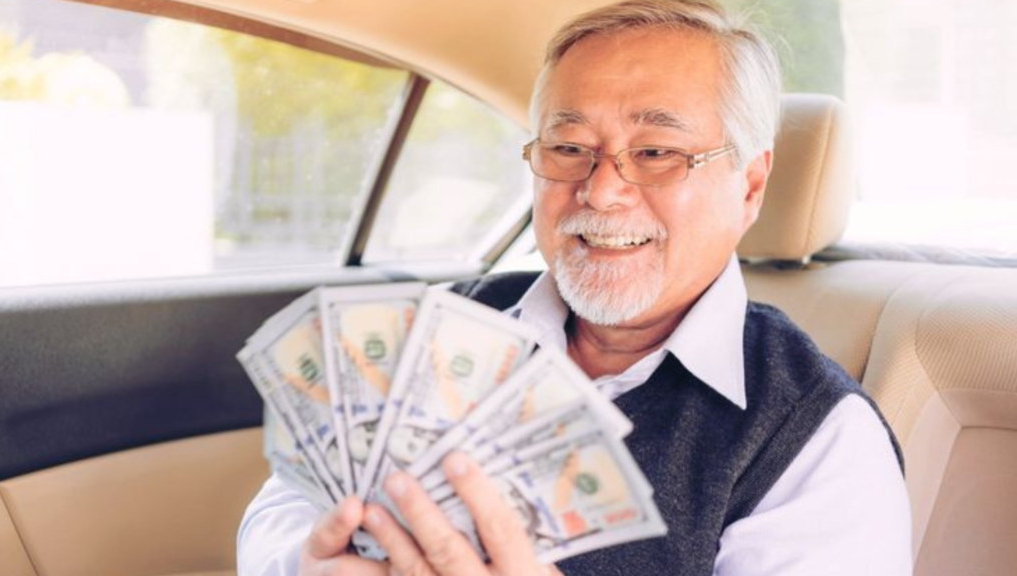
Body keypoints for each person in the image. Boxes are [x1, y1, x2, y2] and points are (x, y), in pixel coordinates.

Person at [237, 1, 912, 574]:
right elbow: (284, 503)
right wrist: (306, 559)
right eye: (568, 148)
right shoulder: (445, 324)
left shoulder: (817, 437)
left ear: (751, 185)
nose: (602, 190)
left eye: (655, 152)